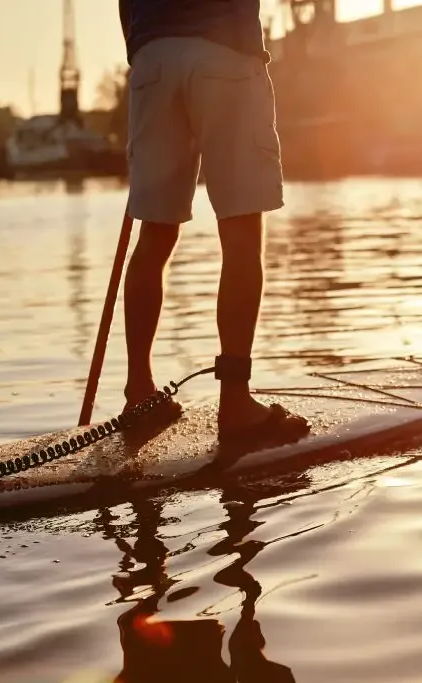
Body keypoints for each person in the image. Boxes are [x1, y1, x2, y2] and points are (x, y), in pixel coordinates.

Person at [117, 0, 310, 445]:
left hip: (152, 59)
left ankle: (140, 394)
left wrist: (148, 50)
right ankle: (236, 403)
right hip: (224, 55)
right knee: (241, 233)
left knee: (155, 233)